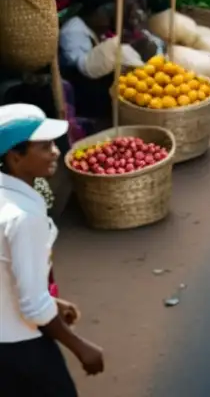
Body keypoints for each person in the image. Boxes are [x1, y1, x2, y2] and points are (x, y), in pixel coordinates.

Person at [0, 104, 105, 394]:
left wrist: (53, 303)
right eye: (45, 147)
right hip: (19, 346)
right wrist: (80, 347)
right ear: (15, 157)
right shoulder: (23, 216)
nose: (56, 152)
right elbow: (33, 307)